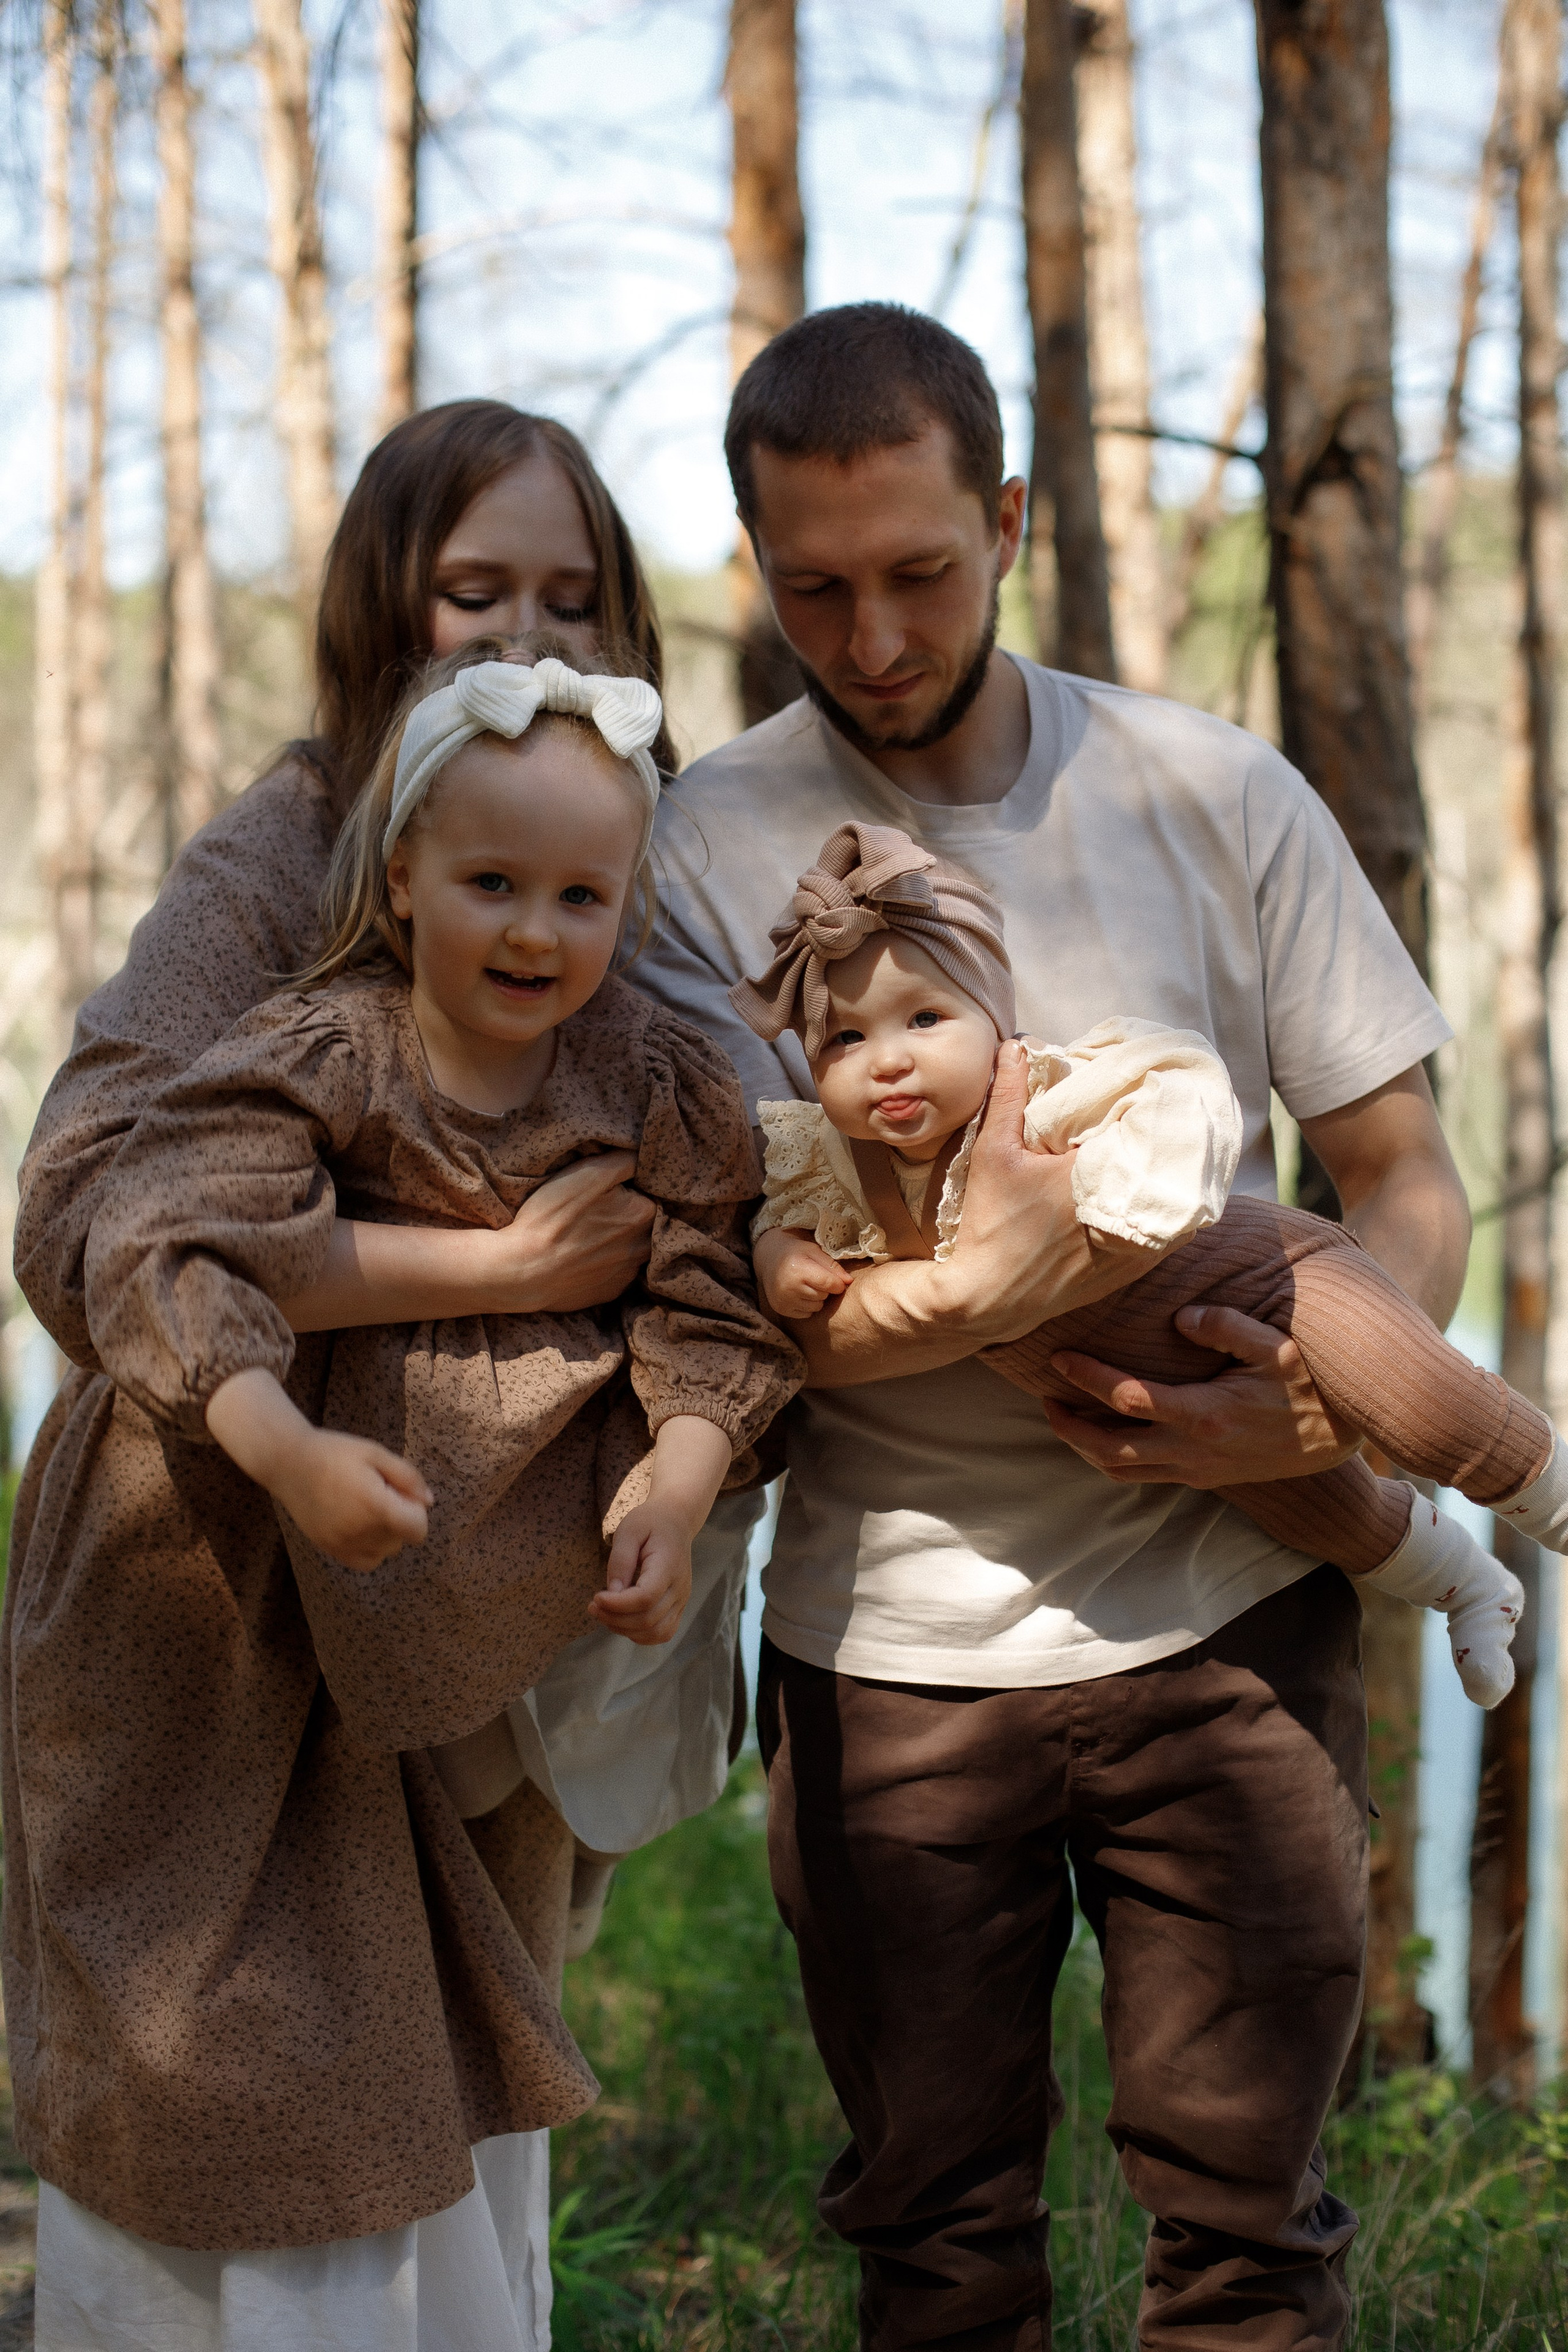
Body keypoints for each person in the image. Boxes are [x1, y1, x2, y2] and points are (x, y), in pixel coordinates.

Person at [633, 304, 1472, 2350]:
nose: (878, 630)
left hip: (1235, 1629)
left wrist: (1313, 1422)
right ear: (754, 562)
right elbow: (715, 1311)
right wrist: (983, 1298)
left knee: (1253, 2246)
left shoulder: (1212, 790)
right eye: (816, 586)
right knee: (936, 2249)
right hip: (888, 1665)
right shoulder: (690, 856)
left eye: (923, 569)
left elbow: (1406, 1174)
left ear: (1007, 517)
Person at [4, 404, 752, 2350]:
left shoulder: (611, 846)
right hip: (242, 1588)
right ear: (384, 608)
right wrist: (492, 1262)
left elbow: (704, 1237)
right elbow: (89, 1211)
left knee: (454, 2117)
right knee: (263, 2091)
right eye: (474, 590)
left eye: (575, 599)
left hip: (476, 1618)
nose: (529, 632)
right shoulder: (292, 858)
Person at [730, 816, 1555, 1710]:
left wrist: (1108, 1202)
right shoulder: (833, 1164)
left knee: (1423, 1405)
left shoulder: (1040, 1095)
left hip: (1273, 1280)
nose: (888, 1061)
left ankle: (1549, 1504)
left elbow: (1185, 1098)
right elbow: (781, 1226)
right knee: (1319, 1511)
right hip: (1167, 1411)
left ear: (993, 1018)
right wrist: (781, 1260)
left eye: (926, 1019)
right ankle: (1467, 1586)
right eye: (845, 1041)